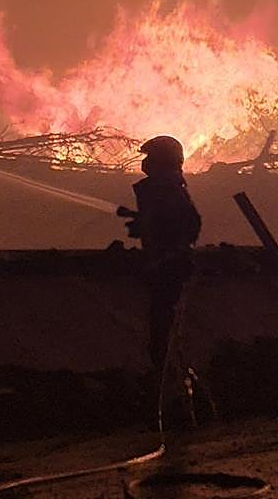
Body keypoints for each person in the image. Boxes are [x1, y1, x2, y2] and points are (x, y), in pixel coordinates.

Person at [117, 136, 201, 376]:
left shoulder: (167, 190)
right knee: (162, 329)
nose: (145, 163)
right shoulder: (166, 189)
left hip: (168, 268)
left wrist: (154, 233)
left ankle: (168, 382)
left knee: (163, 331)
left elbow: (188, 226)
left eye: (150, 158)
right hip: (165, 266)